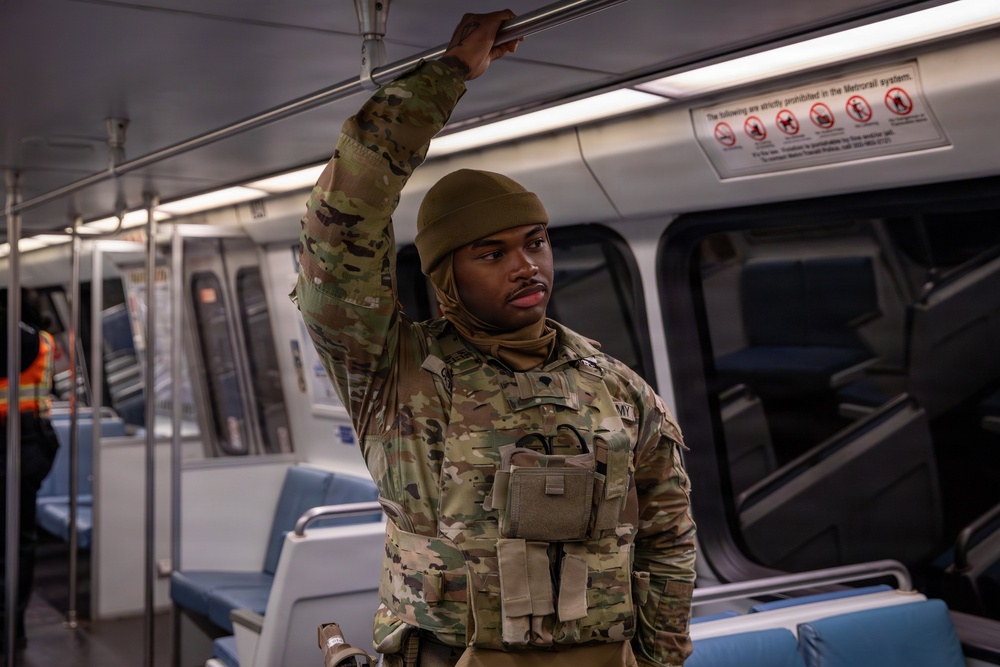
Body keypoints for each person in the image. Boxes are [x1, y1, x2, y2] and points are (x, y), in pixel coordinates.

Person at [293, 10, 696, 667]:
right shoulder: (395, 373)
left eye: (535, 242)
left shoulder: (613, 386)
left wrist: (660, 659)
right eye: (491, 252)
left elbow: (667, 537)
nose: (526, 266)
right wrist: (445, 78)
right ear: (446, 275)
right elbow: (339, 229)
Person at [0, 294, 60, 654]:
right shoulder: (42, 342)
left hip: (5, 442)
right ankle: (14, 624)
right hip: (32, 442)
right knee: (20, 540)